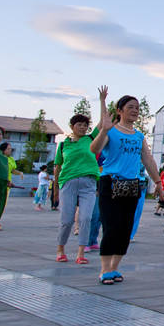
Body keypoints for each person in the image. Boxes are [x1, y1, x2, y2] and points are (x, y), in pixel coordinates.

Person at [89, 86, 161, 285]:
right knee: (111, 227)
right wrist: (104, 129)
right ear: (119, 110)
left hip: (131, 185)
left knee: (125, 229)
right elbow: (94, 149)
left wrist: (158, 182)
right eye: (130, 107)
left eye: (137, 108)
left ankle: (114, 268)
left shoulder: (139, 136)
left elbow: (148, 160)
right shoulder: (111, 131)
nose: (135, 111)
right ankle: (105, 270)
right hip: (110, 182)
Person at [53, 113, 99, 265]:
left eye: (85, 125)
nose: (83, 127)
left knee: (86, 218)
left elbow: (104, 123)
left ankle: (81, 253)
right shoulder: (63, 145)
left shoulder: (91, 139)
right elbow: (58, 167)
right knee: (66, 220)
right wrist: (55, 190)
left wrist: (103, 101)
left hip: (89, 183)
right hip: (68, 182)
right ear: (72, 126)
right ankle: (61, 249)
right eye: (79, 124)